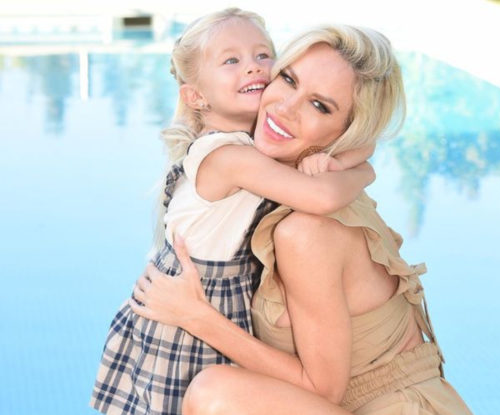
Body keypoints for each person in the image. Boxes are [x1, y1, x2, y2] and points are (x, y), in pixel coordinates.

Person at [131, 24, 474, 415]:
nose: (285, 108)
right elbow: (363, 149)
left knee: (215, 395)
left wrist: (198, 317)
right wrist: (360, 166)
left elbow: (322, 390)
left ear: (346, 131)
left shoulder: (306, 231)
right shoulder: (305, 179)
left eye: (319, 106)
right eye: (288, 80)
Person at [90, 8, 374, 415]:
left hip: (215, 301)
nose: (253, 67)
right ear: (196, 97)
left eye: (263, 55)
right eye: (231, 60)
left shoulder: (257, 145)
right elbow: (322, 197)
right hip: (190, 310)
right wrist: (360, 171)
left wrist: (341, 159)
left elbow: (363, 140)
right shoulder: (228, 156)